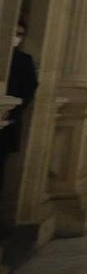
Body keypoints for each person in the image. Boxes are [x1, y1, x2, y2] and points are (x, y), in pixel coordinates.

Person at [1, 19, 38, 195]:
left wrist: (11, 111)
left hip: (7, 121)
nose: (16, 37)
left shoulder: (23, 60)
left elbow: (29, 90)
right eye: (14, 33)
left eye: (20, 34)